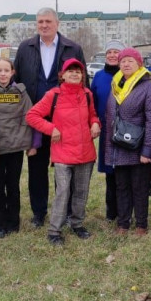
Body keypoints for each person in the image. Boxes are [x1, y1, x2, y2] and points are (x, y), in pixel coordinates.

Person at [13, 7, 85, 227]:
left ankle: (63, 212)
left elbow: (82, 85)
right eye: (40, 22)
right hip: (36, 119)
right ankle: (38, 212)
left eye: (48, 21)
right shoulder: (26, 48)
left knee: (64, 169)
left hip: (65, 121)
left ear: (57, 24)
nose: (44, 25)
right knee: (37, 169)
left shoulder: (73, 48)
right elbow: (16, 82)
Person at [27, 58, 100, 245]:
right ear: (63, 75)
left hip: (85, 152)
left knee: (81, 192)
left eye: (78, 71)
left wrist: (95, 124)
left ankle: (77, 224)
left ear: (82, 75)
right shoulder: (54, 95)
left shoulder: (87, 94)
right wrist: (51, 129)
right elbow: (32, 115)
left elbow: (93, 115)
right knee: (63, 192)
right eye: (70, 71)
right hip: (63, 153)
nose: (74, 74)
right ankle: (54, 230)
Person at [104, 48, 151, 236]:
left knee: (139, 187)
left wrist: (147, 150)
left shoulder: (148, 87)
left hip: (138, 147)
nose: (126, 64)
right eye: (123, 61)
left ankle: (141, 224)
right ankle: (123, 223)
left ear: (139, 64)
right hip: (119, 146)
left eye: (130, 61)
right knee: (121, 186)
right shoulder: (116, 86)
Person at [0, 57, 36, 238]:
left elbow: (29, 116)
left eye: (6, 70)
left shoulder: (21, 92)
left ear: (12, 72)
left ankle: (13, 222)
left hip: (15, 148)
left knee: (13, 187)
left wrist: (32, 144)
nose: (3, 74)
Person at [90, 40, 125, 222]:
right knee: (110, 174)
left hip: (127, 131)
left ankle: (125, 211)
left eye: (116, 52)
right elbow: (92, 103)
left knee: (124, 172)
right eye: (109, 52)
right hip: (106, 131)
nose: (112, 55)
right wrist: (94, 121)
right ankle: (111, 212)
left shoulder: (129, 75)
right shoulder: (98, 76)